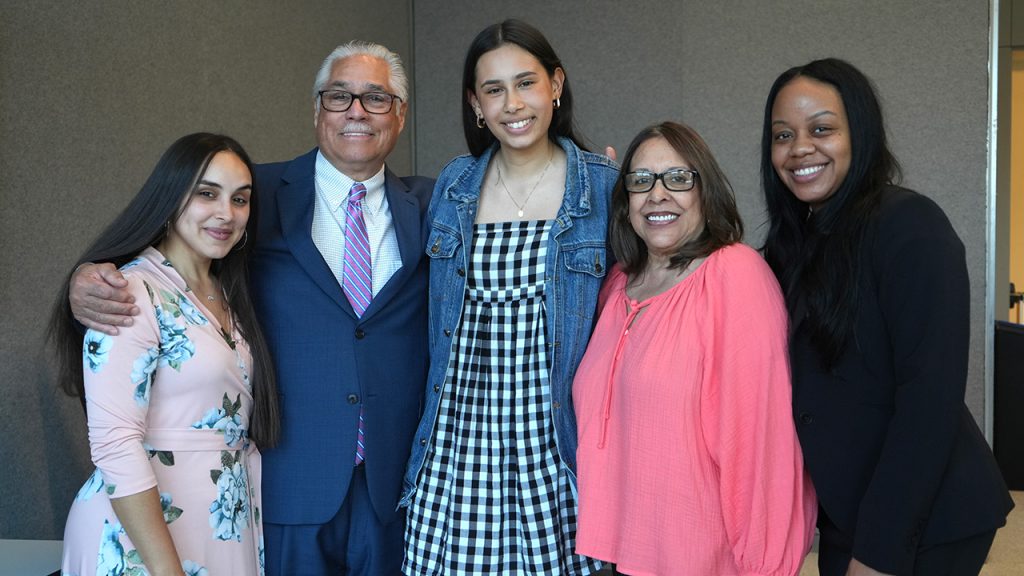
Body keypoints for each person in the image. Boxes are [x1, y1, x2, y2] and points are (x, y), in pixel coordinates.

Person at [68, 41, 434, 575]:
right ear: (316, 110)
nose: (356, 110)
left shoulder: (435, 203)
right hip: (286, 488)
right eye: (339, 96)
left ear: (400, 115)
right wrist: (84, 279)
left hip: (391, 491)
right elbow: (159, 239)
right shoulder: (251, 193)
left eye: (376, 98)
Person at [761, 58, 1014, 576]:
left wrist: (879, 554)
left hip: (925, 511)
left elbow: (929, 401)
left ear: (862, 133)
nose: (800, 148)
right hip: (849, 506)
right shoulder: (791, 247)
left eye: (822, 129)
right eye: (783, 135)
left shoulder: (910, 226)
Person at [399, 19, 615, 575]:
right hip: (457, 443)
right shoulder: (451, 187)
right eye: (493, 90)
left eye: (526, 83)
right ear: (475, 103)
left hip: (555, 446)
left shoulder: (603, 187)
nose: (512, 103)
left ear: (556, 85)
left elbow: (657, 286)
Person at [571, 121, 816, 576]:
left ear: (706, 191)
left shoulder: (734, 276)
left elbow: (761, 444)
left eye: (679, 178)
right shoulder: (619, 282)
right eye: (640, 180)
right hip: (624, 555)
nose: (657, 194)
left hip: (705, 559)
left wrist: (765, 566)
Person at [50, 132, 279, 575]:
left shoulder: (229, 295)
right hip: (145, 538)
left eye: (240, 199)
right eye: (206, 194)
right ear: (170, 198)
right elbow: (115, 444)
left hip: (221, 521)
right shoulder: (130, 291)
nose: (225, 213)